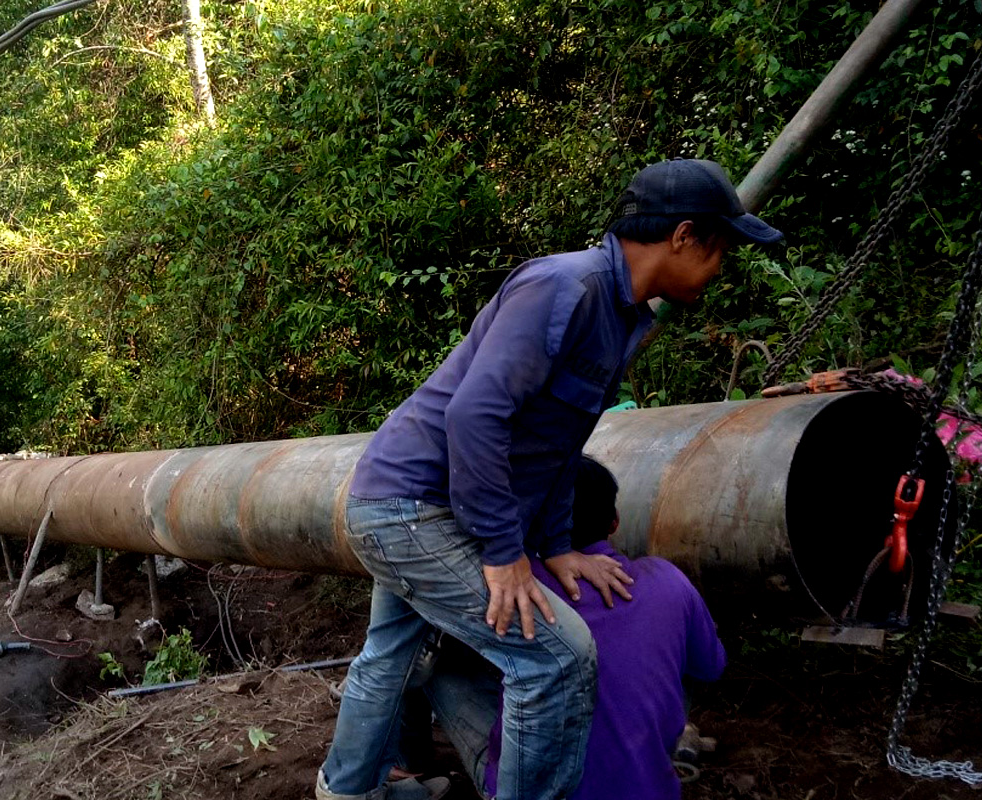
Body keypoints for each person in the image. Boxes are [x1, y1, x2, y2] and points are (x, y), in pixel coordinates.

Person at [318, 159, 781, 800]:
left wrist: (559, 545)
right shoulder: (567, 287)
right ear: (682, 236)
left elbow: (557, 445)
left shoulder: (618, 315)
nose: (719, 269)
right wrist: (506, 554)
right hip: (410, 508)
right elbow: (475, 415)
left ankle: (348, 791)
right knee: (557, 659)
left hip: (423, 503)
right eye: (719, 250)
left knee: (392, 650)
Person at [478, 456, 727, 800]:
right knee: (681, 647)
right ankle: (649, 754)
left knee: (440, 668)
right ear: (614, 522)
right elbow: (711, 667)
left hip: (531, 786)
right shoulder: (668, 578)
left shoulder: (521, 585)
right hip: (649, 789)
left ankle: (406, 765)